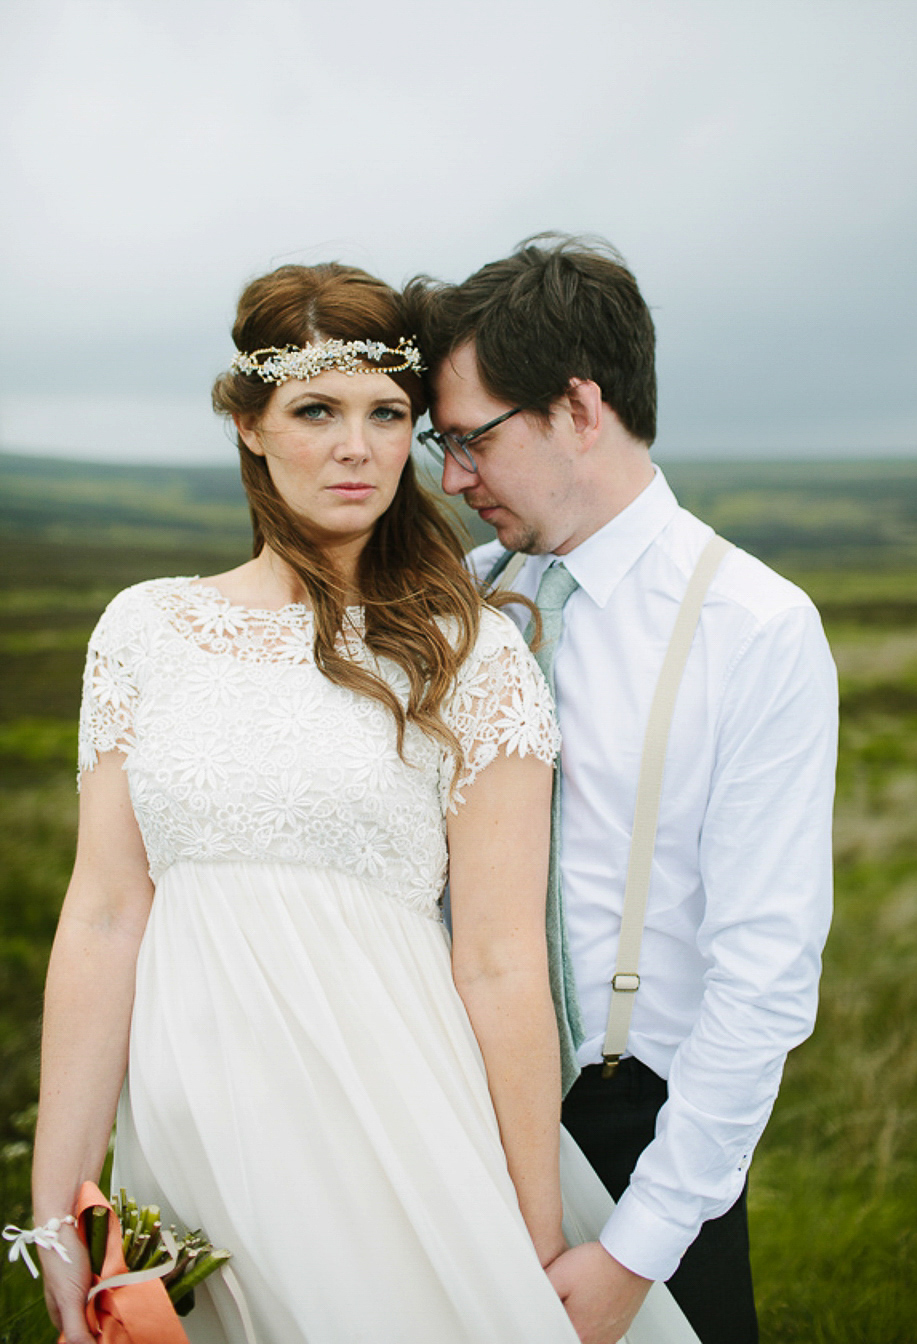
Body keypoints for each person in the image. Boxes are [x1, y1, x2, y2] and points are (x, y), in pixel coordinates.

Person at [30, 261, 619, 1344]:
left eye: (388, 414)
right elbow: (107, 912)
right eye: (316, 410)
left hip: (388, 1119)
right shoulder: (145, 630)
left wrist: (528, 1233)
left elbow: (499, 960)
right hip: (194, 1127)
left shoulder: (471, 653)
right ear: (250, 425)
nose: (358, 447)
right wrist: (55, 1206)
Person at [413, 234, 838, 1344]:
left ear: (579, 408)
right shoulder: (460, 601)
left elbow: (764, 979)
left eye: (471, 440)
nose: (453, 479)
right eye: (440, 445)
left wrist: (639, 1251)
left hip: (637, 1133)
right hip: (449, 1107)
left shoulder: (755, 628)